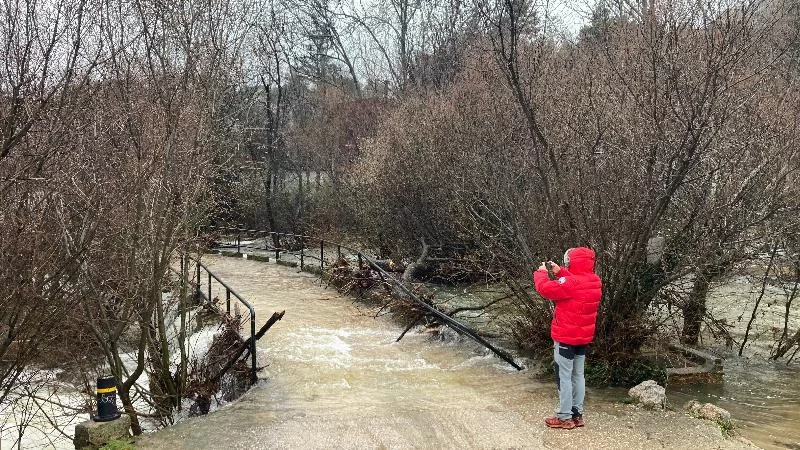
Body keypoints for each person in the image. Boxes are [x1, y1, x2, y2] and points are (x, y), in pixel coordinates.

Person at [533, 247, 602, 430]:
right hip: (583, 338)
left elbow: (546, 289)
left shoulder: (571, 283)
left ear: (572, 262)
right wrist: (560, 272)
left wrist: (541, 273)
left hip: (566, 338)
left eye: (567, 262)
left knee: (563, 376)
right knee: (578, 375)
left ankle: (564, 417)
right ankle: (577, 415)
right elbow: (573, 281)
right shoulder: (594, 280)